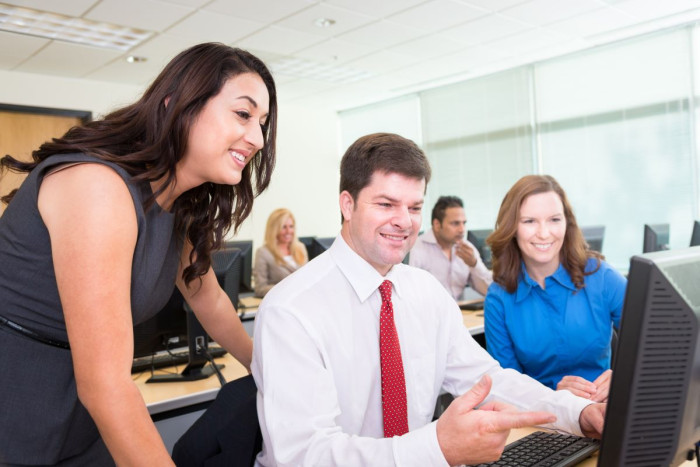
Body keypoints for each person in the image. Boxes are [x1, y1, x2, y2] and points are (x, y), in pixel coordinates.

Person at [251, 133, 605, 467]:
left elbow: (487, 381)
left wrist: (575, 412)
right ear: (348, 204)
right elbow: (303, 457)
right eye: (387, 204)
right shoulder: (292, 309)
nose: (404, 222)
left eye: (414, 206)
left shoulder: (424, 291)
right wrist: (436, 447)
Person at [0, 43, 277, 466]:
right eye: (243, 114)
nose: (257, 138)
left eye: (263, 123)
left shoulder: (172, 203)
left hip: (80, 412)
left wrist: (272, 374)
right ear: (176, 105)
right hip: (18, 402)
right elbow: (106, 386)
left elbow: (209, 299)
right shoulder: (98, 186)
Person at [484, 175, 626, 403]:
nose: (543, 233)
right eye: (529, 221)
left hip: (605, 409)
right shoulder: (498, 298)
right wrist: (552, 395)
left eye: (554, 220)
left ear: (567, 223)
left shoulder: (601, 276)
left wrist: (623, 378)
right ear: (512, 228)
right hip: (543, 421)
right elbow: (505, 390)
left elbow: (657, 342)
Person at [409, 195, 492, 299]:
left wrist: (474, 264)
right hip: (427, 313)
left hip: (459, 313)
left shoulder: (467, 249)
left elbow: (490, 291)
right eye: (455, 223)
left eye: (464, 223)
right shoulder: (416, 248)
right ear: (437, 224)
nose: (462, 229)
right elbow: (410, 294)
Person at [253, 208, 308, 298]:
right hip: (280, 302)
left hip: (302, 299)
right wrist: (288, 289)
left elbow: (306, 278)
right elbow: (260, 289)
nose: (288, 231)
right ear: (274, 229)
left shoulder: (300, 248)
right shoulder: (263, 253)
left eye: (291, 226)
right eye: (283, 227)